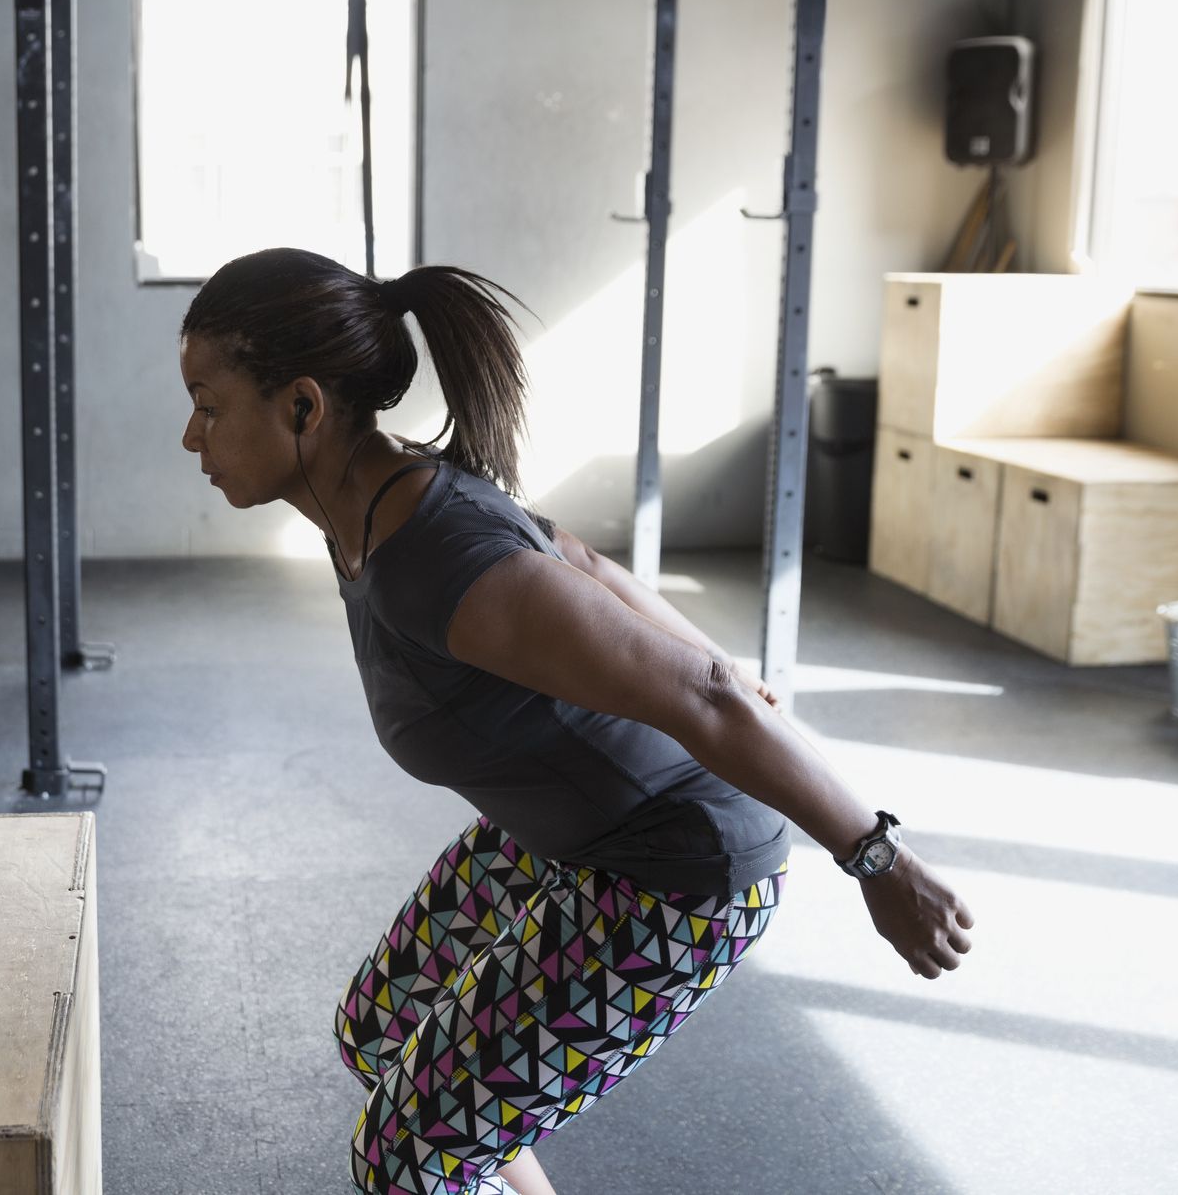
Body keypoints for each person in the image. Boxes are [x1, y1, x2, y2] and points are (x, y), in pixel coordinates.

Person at [178, 249, 974, 1195]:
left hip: (673, 873)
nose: (192, 436)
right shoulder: (374, 505)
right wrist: (727, 673)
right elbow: (587, 566)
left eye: (208, 403)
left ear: (302, 407)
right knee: (381, 1026)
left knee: (405, 1160)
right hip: (567, 826)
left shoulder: (438, 558)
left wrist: (875, 859)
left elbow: (703, 697)